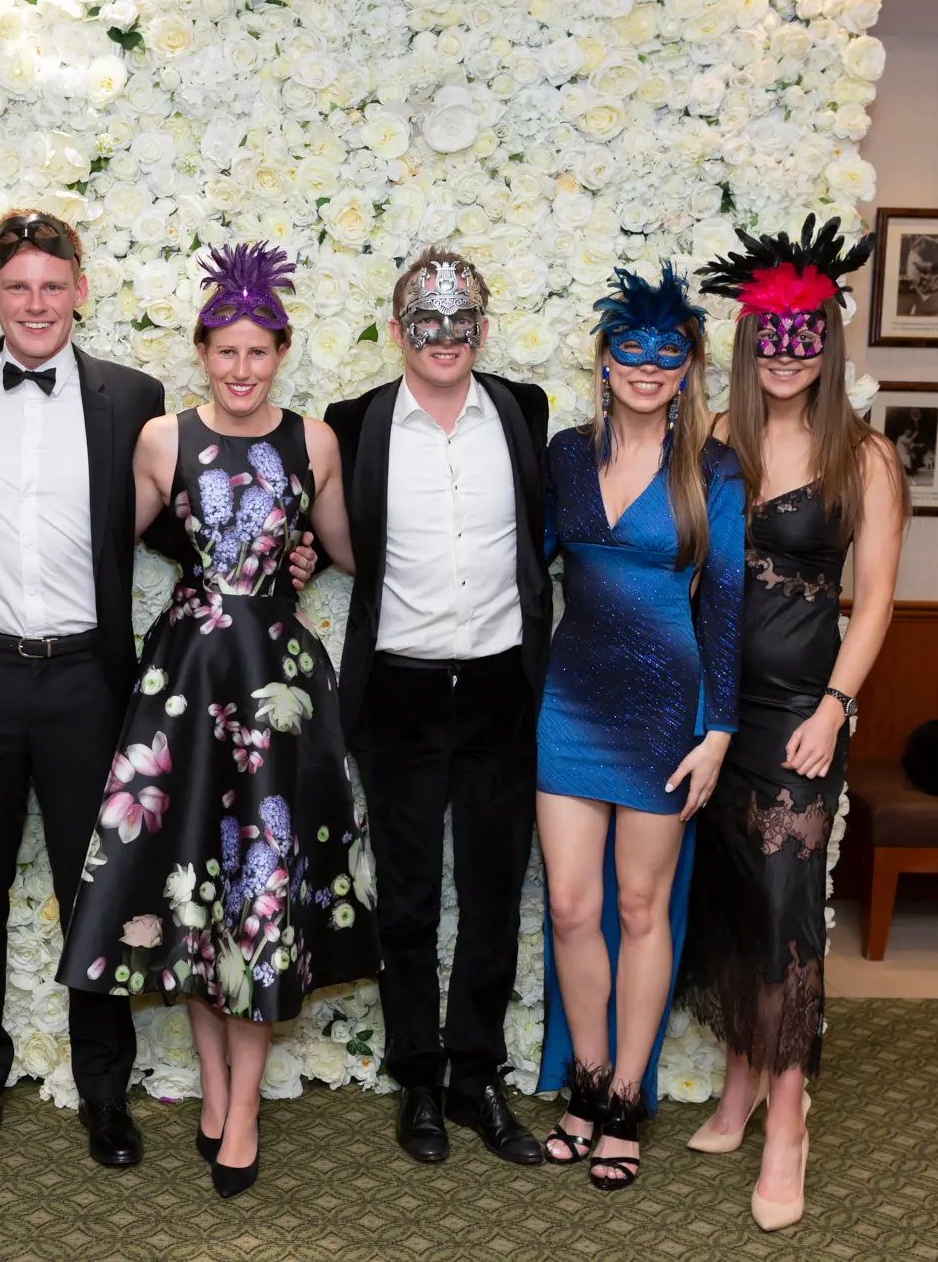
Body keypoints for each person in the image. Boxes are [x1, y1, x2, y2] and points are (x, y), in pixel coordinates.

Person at [59, 242, 375, 1199]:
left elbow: (346, 551)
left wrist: (308, 559)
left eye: (259, 352)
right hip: (190, 684)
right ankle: (214, 1085)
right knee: (194, 887)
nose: (243, 369)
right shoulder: (162, 438)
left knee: (262, 891)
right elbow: (113, 544)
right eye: (226, 352)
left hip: (276, 686)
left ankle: (242, 1109)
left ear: (281, 352)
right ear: (203, 352)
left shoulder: (314, 442)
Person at [681, 214, 905, 1232]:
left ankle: (785, 1125)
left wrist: (831, 709)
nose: (784, 354)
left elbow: (877, 602)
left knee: (782, 912)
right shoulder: (718, 438)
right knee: (729, 901)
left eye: (802, 334)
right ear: (745, 341)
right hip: (716, 711)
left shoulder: (863, 457)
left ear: (827, 339)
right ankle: (736, 1084)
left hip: (798, 719)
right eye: (767, 335)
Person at [322, 251, 551, 1168]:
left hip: (503, 683)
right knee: (409, 898)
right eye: (428, 321)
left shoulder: (525, 412)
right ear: (397, 328)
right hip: (401, 690)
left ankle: (475, 1072)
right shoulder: (354, 424)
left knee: (495, 896)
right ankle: (417, 1073)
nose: (446, 337)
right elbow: (314, 528)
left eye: (463, 322)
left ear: (484, 328)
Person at [534, 262, 744, 1191]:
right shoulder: (565, 455)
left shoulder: (715, 469)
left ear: (690, 364)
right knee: (574, 906)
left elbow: (728, 601)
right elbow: (515, 565)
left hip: (668, 708)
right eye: (632, 349)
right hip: (570, 701)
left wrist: (720, 729)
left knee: (639, 907)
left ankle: (625, 1096)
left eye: (669, 351)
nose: (648, 365)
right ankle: (583, 1083)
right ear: (606, 359)